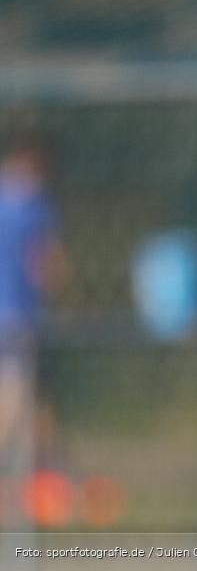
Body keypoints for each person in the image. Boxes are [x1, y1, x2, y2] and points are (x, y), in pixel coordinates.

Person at [0, 134, 69, 526]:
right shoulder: (33, 205)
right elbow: (44, 263)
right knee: (14, 406)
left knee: (27, 406)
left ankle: (30, 488)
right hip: (17, 319)